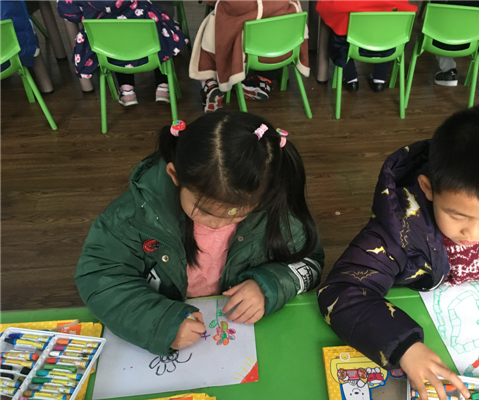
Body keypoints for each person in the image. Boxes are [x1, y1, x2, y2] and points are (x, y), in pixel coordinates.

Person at [317, 105, 479, 400]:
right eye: (457, 216)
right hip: (416, 330)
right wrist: (403, 346)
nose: (473, 232)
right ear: (428, 188)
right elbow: (341, 290)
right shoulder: (396, 229)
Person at [75, 111, 324, 355]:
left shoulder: (275, 211)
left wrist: (269, 285)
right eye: (205, 211)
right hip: (173, 324)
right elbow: (99, 277)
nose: (217, 224)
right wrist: (159, 322)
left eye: (238, 215)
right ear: (175, 175)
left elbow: (310, 262)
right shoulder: (132, 217)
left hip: (244, 336)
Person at [58, 0, 188, 106]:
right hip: (150, 52)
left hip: (110, 54)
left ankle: (127, 89)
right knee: (162, 34)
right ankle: (163, 85)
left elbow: (68, 13)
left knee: (115, 41)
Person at [189, 0, 309, 113]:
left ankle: (210, 83)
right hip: (284, 51)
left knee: (212, 27)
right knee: (271, 23)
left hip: (244, 55)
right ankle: (264, 81)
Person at [316, 0, 417, 93]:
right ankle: (379, 79)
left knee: (338, 38)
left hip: (353, 46)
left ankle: (351, 79)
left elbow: (324, 7)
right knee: (389, 35)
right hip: (389, 47)